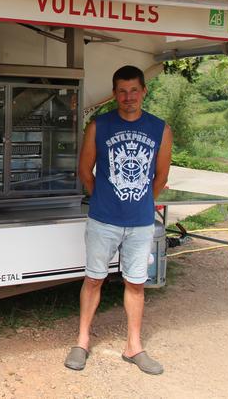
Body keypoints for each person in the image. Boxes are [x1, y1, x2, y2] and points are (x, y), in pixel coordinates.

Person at [64, 65, 173, 375]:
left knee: (136, 284)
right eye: (122, 92)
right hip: (103, 220)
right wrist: (104, 198)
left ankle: (134, 346)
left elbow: (161, 176)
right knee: (94, 278)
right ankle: (82, 341)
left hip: (140, 222)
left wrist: (140, 202)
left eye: (134, 91)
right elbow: (85, 171)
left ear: (144, 91)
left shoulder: (161, 129)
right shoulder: (99, 126)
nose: (128, 98)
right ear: (114, 94)